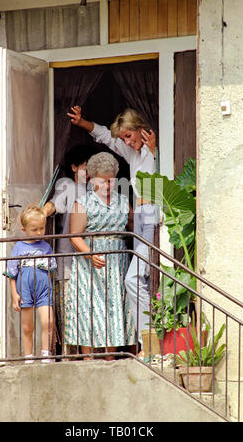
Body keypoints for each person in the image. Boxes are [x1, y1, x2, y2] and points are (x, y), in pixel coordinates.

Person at [67, 106, 158, 358]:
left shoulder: (154, 153)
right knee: (139, 282)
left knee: (135, 281)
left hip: (152, 216)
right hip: (142, 218)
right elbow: (106, 137)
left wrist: (156, 153)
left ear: (141, 130)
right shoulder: (134, 154)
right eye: (124, 138)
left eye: (129, 136)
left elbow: (159, 186)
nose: (127, 142)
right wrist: (83, 122)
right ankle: (147, 345)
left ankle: (148, 345)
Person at [64, 152, 136, 360]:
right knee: (89, 306)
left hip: (117, 260)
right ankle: (87, 357)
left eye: (111, 179)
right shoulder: (82, 202)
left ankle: (110, 355)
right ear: (93, 179)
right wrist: (89, 253)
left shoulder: (123, 201)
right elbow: (75, 236)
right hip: (90, 262)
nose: (108, 184)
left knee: (114, 305)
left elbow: (133, 227)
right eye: (103, 180)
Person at [42, 145, 93, 357]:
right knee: (68, 312)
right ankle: (69, 355)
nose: (89, 172)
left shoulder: (96, 190)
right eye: (85, 167)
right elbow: (52, 205)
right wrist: (39, 215)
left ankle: (87, 353)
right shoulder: (68, 186)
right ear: (73, 167)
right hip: (68, 263)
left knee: (87, 311)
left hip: (90, 262)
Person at [6, 206, 57, 363]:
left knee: (48, 321)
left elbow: (51, 269)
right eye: (34, 229)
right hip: (25, 289)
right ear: (24, 229)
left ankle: (46, 354)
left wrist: (48, 284)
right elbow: (11, 273)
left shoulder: (46, 247)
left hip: (43, 288)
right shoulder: (19, 247)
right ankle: (28, 356)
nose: (39, 233)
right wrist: (14, 294)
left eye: (42, 228)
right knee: (27, 326)